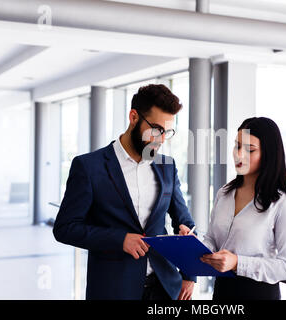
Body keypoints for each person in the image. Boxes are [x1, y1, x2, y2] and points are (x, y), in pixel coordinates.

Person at [53, 84, 196, 300]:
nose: (161, 139)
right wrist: (119, 240)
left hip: (165, 288)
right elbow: (65, 228)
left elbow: (183, 218)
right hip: (113, 289)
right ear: (134, 117)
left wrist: (189, 274)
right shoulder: (89, 166)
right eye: (156, 129)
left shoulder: (168, 165)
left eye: (167, 132)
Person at [200, 117, 286, 300]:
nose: (239, 154)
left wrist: (238, 263)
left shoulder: (283, 201)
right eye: (237, 146)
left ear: (269, 154)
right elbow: (213, 240)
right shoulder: (224, 193)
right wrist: (195, 246)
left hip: (259, 294)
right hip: (222, 293)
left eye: (250, 149)